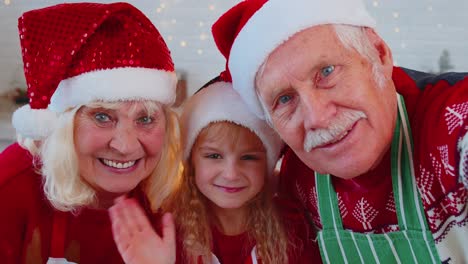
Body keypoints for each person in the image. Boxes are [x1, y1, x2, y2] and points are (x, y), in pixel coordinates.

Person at [211, 0, 468, 263]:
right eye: (285, 99)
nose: (317, 118)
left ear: (379, 54)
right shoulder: (298, 181)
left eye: (326, 72)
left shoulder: (455, 122)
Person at [0, 3, 181, 263]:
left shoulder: (177, 200)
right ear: (64, 125)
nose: (125, 146)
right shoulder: (10, 188)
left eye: (146, 119)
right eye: (102, 117)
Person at [109, 74, 321, 263]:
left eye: (248, 158)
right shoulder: (165, 233)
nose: (231, 173)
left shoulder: (292, 227)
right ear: (191, 161)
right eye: (213, 156)